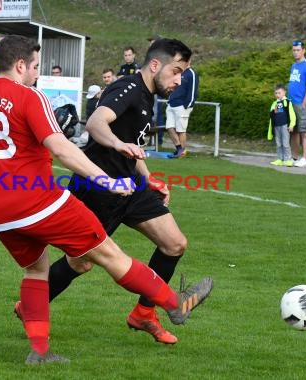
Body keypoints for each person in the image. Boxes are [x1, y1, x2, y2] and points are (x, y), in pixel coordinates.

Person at [0, 34, 211, 365]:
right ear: (21, 66)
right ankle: (173, 304)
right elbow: (61, 149)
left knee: (36, 269)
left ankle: (39, 352)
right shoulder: (30, 97)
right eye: (37, 66)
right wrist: (104, 179)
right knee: (110, 255)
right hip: (39, 201)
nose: (38, 73)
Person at [20, 38, 213, 345]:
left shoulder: (149, 97)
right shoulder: (127, 88)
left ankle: (144, 314)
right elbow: (97, 123)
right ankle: (30, 306)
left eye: (183, 74)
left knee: (174, 244)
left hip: (131, 186)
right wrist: (116, 144)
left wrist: (148, 178)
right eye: (176, 71)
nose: (179, 80)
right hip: (98, 187)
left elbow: (132, 145)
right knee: (80, 263)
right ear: (155, 65)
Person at [288, 39, 306, 168]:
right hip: (291, 103)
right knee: (293, 131)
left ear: (303, 51)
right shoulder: (293, 66)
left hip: (301, 104)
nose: (295, 53)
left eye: (298, 50)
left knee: (303, 131)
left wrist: (304, 103)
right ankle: (294, 157)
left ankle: (305, 158)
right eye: (294, 50)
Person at [165, 59, 199, 158]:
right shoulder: (177, 72)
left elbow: (193, 91)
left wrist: (187, 105)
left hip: (182, 106)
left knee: (181, 130)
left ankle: (182, 153)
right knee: (169, 127)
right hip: (171, 104)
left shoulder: (191, 73)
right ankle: (179, 148)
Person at [268, 84, 296, 166]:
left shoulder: (287, 102)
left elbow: (292, 114)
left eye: (279, 93)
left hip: (285, 126)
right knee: (279, 143)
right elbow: (271, 115)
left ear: (284, 92)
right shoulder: (274, 103)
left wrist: (291, 125)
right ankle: (280, 159)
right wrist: (273, 112)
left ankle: (288, 159)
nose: (277, 95)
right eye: (276, 93)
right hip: (276, 126)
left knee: (285, 143)